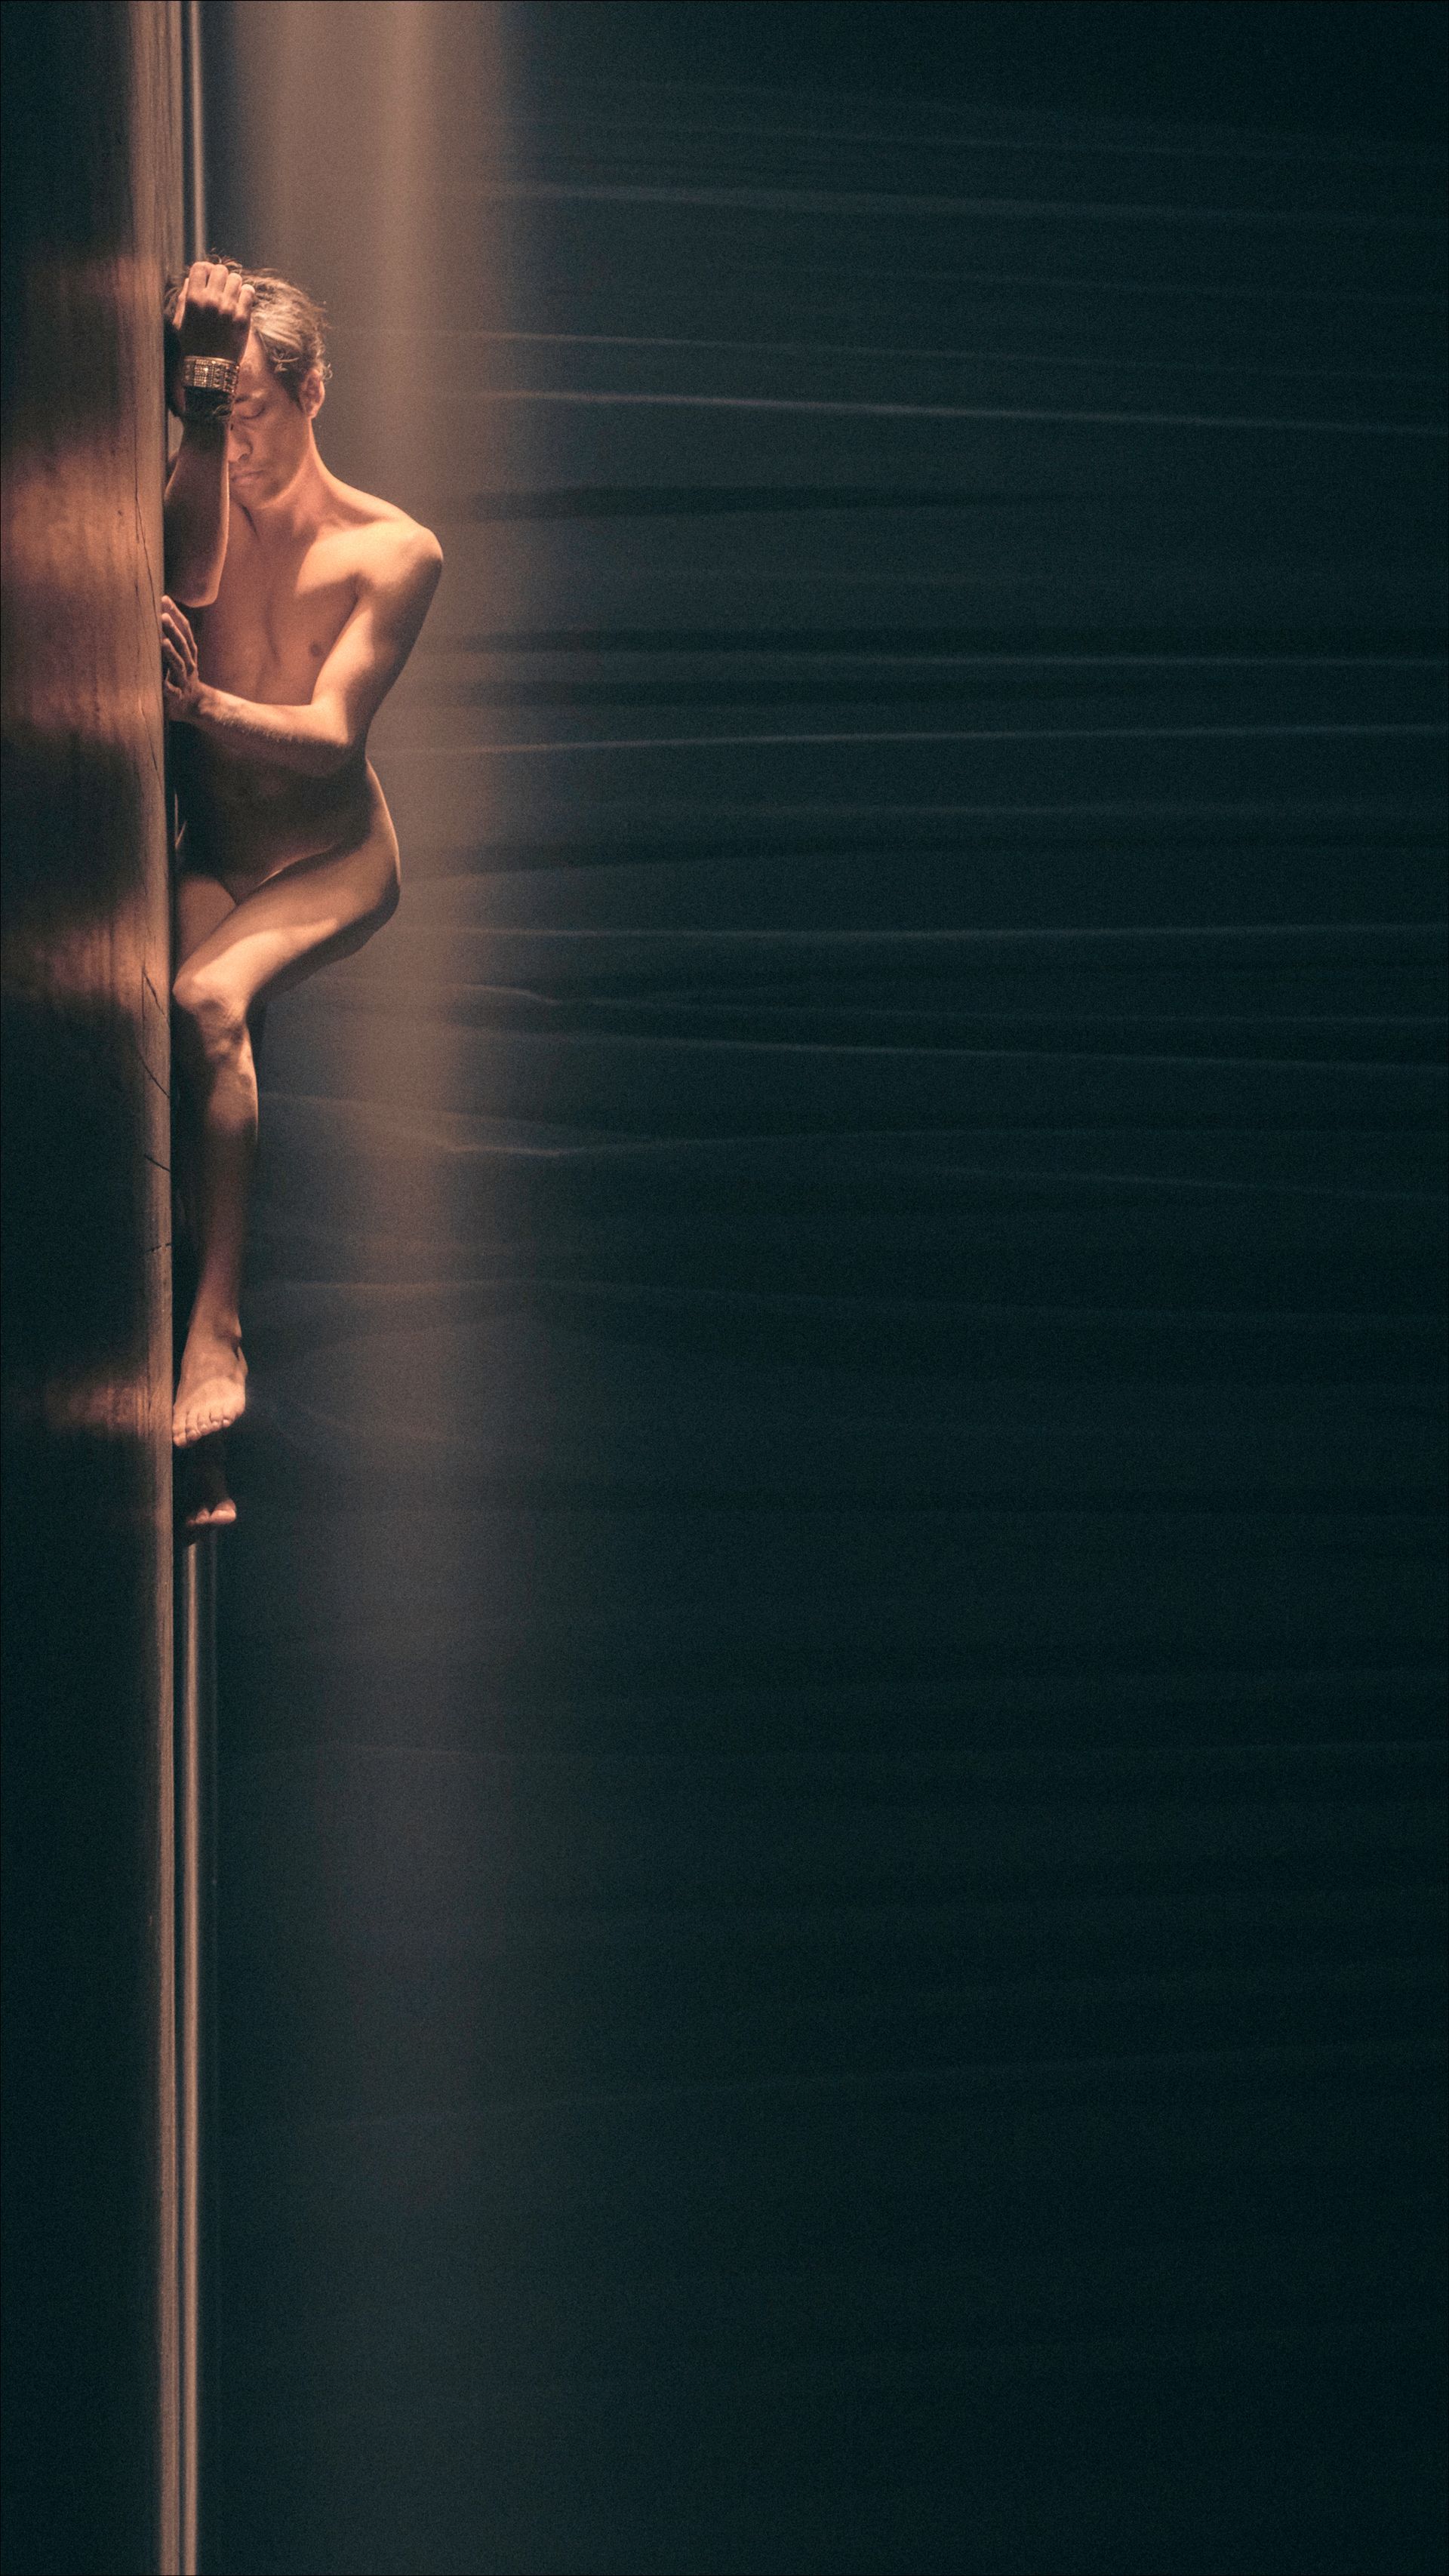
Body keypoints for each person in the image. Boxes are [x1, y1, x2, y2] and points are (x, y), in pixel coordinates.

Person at [162, 257, 442, 1532]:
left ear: (315, 391)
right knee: (182, 1057)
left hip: (334, 860)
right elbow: (191, 583)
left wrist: (199, 706)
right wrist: (204, 399)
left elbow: (333, 738)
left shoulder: (395, 551)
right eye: (225, 411)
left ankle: (219, 1337)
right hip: (219, 840)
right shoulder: (212, 476)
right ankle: (201, 1460)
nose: (241, 440)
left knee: (213, 999)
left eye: (259, 410)